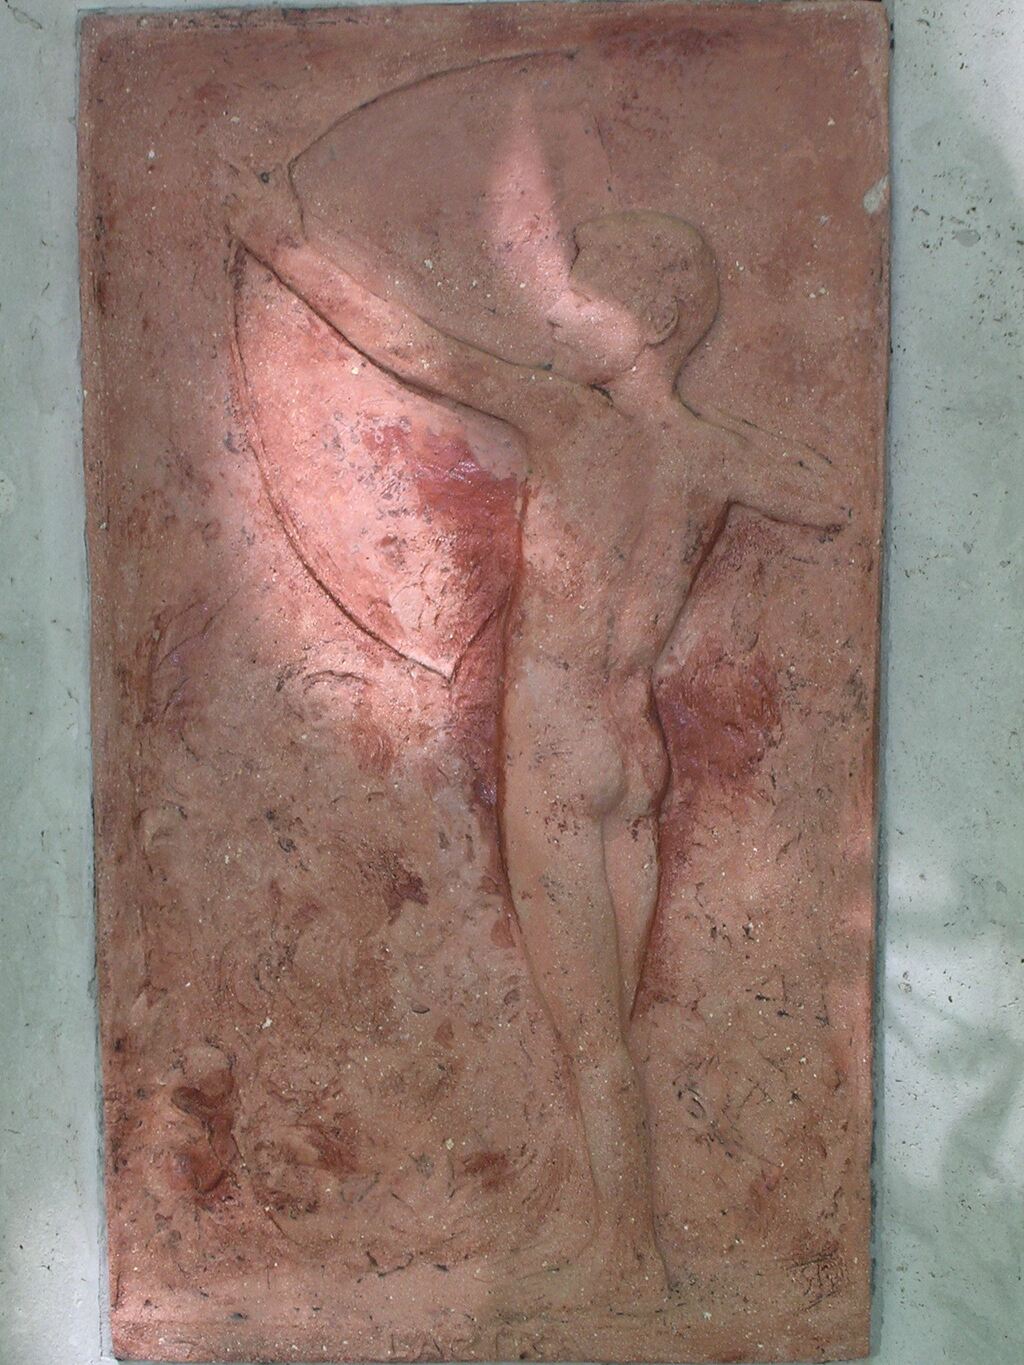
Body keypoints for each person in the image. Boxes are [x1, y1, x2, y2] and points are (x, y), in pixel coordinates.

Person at [227, 165, 849, 1306]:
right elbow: (828, 495)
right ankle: (617, 1239)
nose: (557, 319)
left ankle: (630, 1261)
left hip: (561, 753)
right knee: (605, 1029)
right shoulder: (706, 456)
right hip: (635, 757)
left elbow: (417, 349)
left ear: (652, 318)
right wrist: (708, 436)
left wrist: (286, 246)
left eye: (582, 295)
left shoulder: (568, 420)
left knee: (591, 1037)